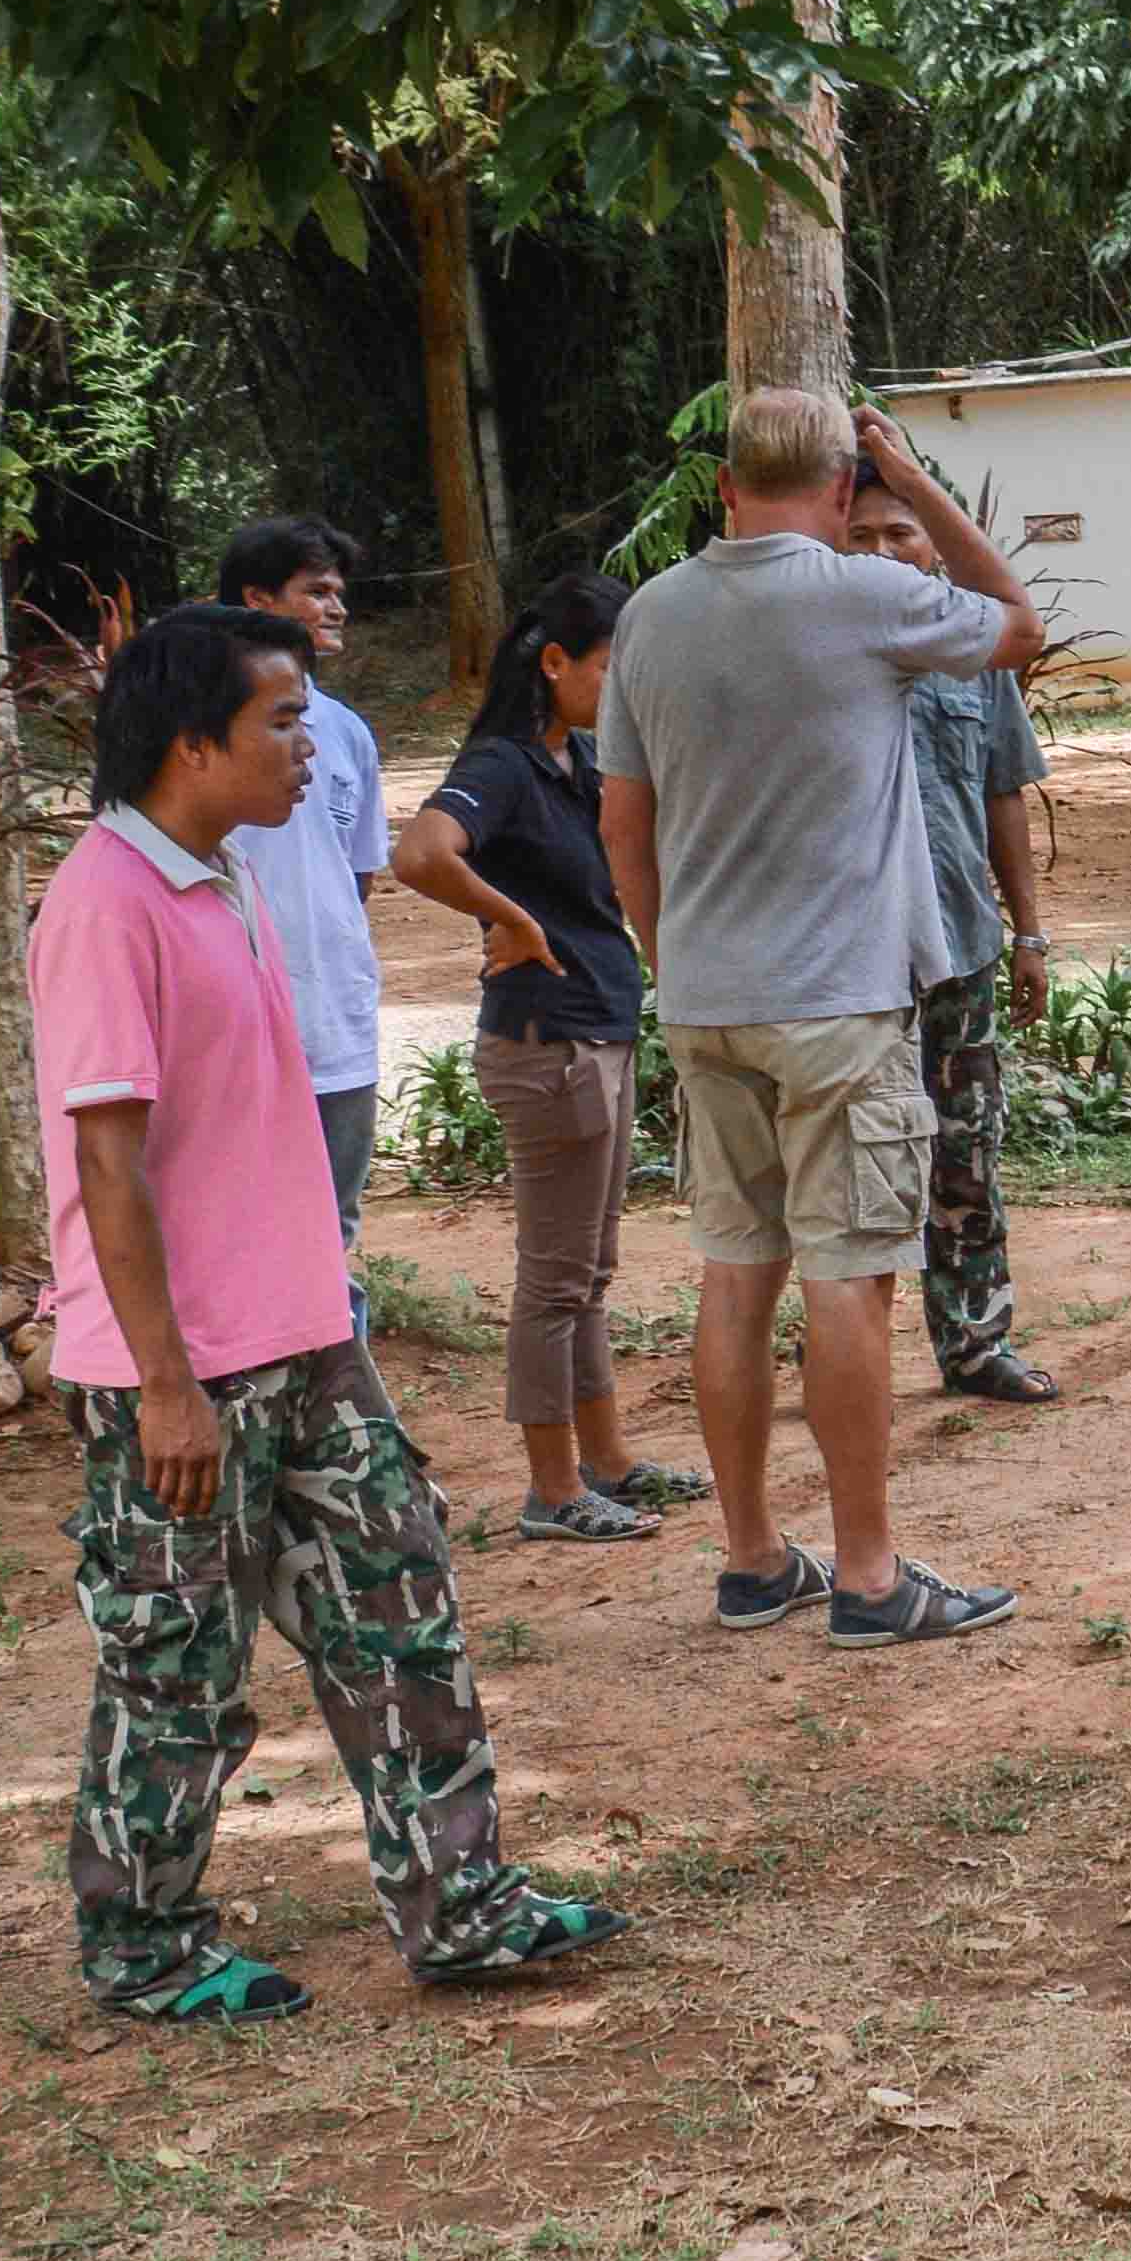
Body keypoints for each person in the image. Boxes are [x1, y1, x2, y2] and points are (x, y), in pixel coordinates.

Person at [27, 604, 626, 2023]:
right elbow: (106, 1165)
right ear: (192, 744)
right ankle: (142, 1943)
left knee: (401, 1610)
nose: (313, 747)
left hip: (306, 1340)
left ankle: (460, 1902)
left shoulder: (224, 871)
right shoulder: (105, 902)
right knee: (178, 1665)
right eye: (283, 721)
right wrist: (163, 1384)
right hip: (184, 1371)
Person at [598, 383, 1048, 1644]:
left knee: (736, 1272)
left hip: (707, 999)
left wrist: (670, 959)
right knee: (850, 1279)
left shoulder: (649, 612)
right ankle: (866, 1574)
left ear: (724, 485)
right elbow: (1019, 626)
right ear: (846, 490)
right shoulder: (867, 596)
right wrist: (920, 481)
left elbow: (622, 823)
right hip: (838, 1002)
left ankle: (751, 1560)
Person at [393, 569, 705, 1543]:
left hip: (596, 1031)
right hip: (549, 1045)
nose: (625, 690)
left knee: (590, 1272)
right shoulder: (501, 764)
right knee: (556, 1279)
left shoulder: (579, 761)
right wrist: (512, 919)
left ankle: (606, 1463)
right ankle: (553, 1489)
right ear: (556, 662)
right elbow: (420, 853)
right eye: (612, 670)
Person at [846, 459, 1065, 1405]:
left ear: (934, 544)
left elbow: (1001, 790)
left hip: (961, 946)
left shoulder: (975, 646)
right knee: (852, 1163)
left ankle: (976, 1342)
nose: (882, 550)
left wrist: (1028, 935)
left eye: (900, 532)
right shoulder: (819, 647)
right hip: (854, 961)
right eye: (859, 535)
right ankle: (846, 1356)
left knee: (966, 1150)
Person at [215, 517, 394, 1318]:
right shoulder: (202, 729)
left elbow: (356, 876)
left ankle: (335, 1389)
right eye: (315, 591)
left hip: (335, 1024)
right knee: (241, 1226)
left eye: (338, 591)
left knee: (331, 1228)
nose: (336, 606)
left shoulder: (347, 734)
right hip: (235, 1025)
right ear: (258, 600)